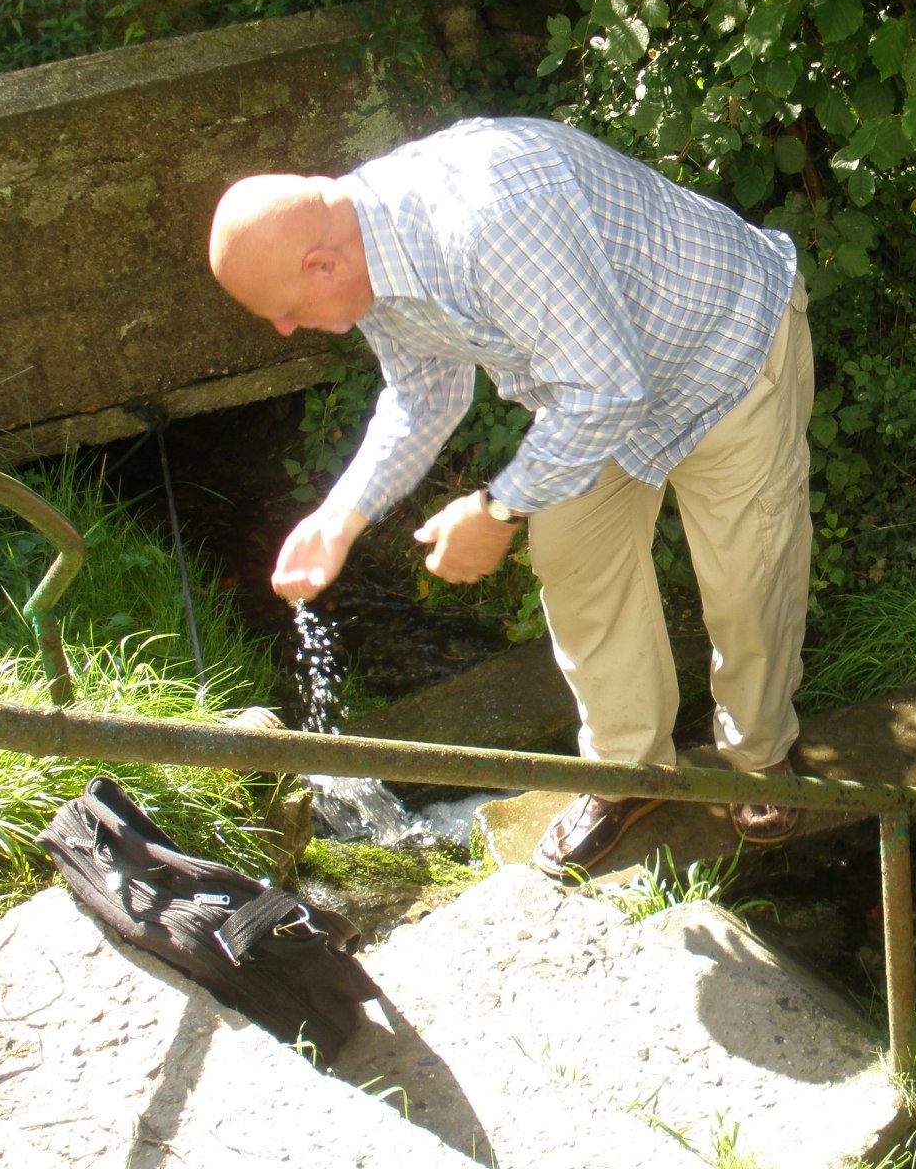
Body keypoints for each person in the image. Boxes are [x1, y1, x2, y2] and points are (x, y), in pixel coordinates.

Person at [208, 115, 814, 877]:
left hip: (722, 346)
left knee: (749, 581)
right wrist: (341, 517)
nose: (288, 327)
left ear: (322, 262)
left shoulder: (486, 221)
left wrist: (496, 512)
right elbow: (423, 394)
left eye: (284, 308)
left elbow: (606, 387)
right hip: (601, 388)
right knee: (574, 563)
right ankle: (629, 775)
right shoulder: (369, 266)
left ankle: (758, 756)